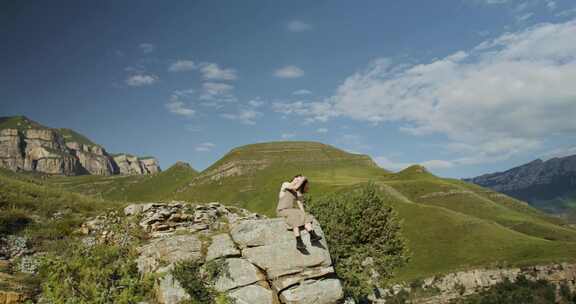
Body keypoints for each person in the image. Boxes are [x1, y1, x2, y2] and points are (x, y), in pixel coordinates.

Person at [276, 174, 322, 250]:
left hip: (290, 210)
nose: (298, 181)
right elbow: (294, 187)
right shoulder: (286, 184)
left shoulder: (296, 193)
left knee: (302, 214)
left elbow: (300, 205)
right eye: (297, 179)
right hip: (282, 210)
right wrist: (304, 178)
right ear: (294, 178)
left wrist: (304, 215)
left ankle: (312, 234)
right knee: (294, 216)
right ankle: (299, 241)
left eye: (300, 180)